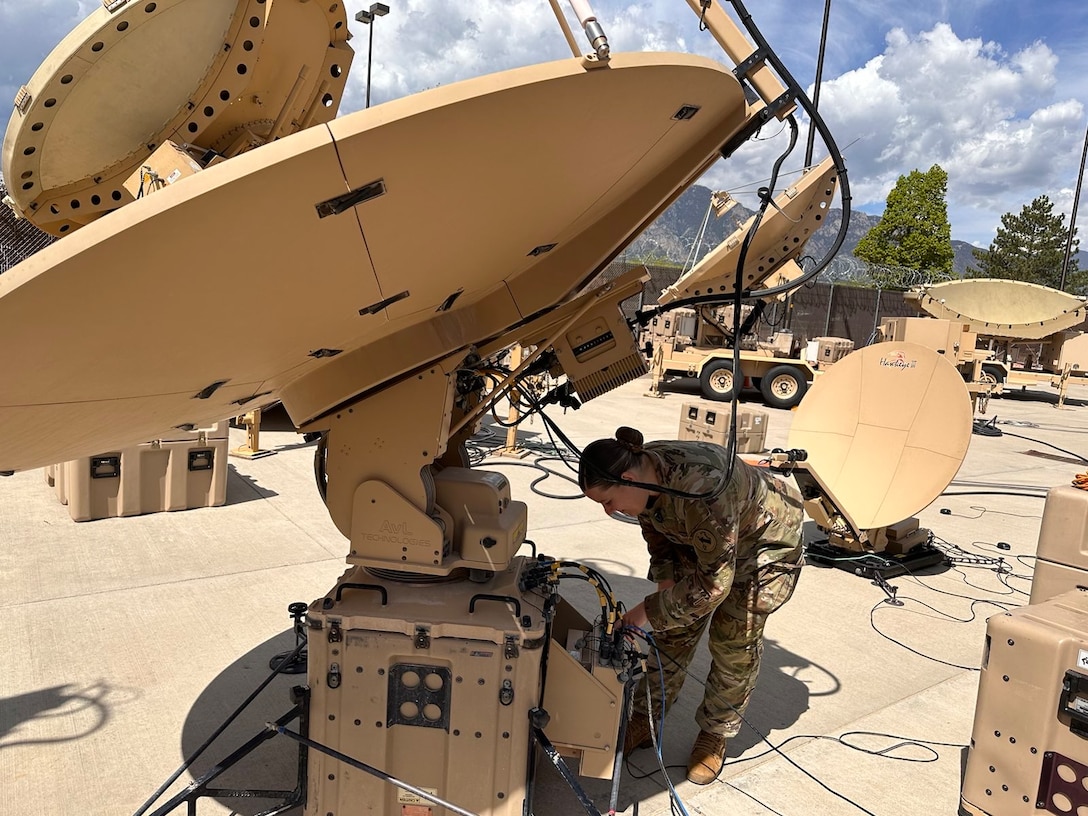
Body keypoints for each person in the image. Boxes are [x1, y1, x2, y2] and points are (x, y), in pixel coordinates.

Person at [578, 425, 804, 785]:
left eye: (608, 501)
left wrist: (644, 613)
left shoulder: (702, 487)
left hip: (761, 547)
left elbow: (716, 584)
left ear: (627, 478)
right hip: (709, 539)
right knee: (671, 629)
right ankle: (645, 716)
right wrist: (666, 597)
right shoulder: (645, 475)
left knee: (734, 642)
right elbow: (658, 539)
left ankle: (715, 733)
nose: (609, 512)